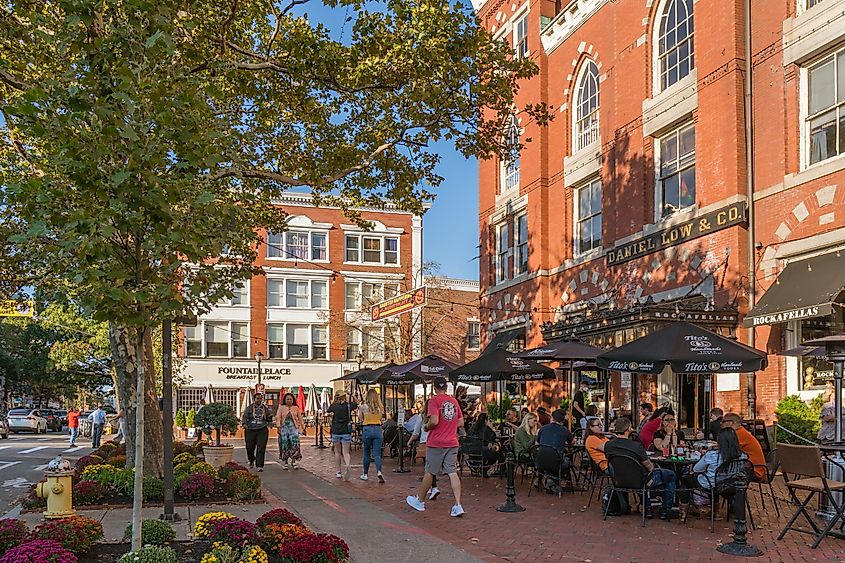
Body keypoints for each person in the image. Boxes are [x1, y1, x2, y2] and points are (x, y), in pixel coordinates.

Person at [406, 376, 465, 517]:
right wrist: (450, 427)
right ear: (446, 387)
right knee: (452, 472)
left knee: (430, 471)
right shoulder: (454, 401)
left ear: (434, 387)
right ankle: (458, 505)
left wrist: (426, 427)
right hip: (452, 441)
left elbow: (434, 420)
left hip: (437, 442)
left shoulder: (434, 401)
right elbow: (461, 422)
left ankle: (420, 501)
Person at [604, 417, 677, 520]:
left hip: (619, 479)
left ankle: (648, 508)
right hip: (640, 481)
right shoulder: (636, 446)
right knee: (670, 475)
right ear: (629, 429)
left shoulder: (608, 446)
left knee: (639, 474)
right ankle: (666, 510)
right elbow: (650, 467)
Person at [682, 427, 746, 493]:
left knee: (686, 478)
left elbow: (697, 469)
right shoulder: (743, 456)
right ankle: (715, 501)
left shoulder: (712, 455)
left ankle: (684, 502)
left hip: (710, 484)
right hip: (730, 484)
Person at [721, 413, 766, 481]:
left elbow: (726, 448)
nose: (721, 424)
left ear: (732, 423)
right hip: (754, 469)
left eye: (723, 421)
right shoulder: (741, 432)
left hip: (754, 472)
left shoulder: (738, 434)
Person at [358, 389, 386, 483]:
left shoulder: (363, 407)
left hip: (367, 429)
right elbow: (381, 418)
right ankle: (379, 471)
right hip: (378, 429)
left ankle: (365, 474)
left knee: (366, 453)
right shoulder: (380, 407)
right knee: (377, 454)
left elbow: (360, 419)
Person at [327, 391, 356, 481]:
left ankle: (338, 471)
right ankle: (347, 465)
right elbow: (357, 403)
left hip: (336, 430)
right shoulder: (348, 406)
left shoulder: (334, 406)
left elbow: (328, 409)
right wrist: (353, 396)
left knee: (337, 452)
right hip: (346, 431)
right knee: (346, 452)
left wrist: (334, 401)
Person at [242, 393, 273, 471]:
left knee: (261, 447)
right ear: (254, 399)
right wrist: (244, 424)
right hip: (250, 430)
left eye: (260, 399)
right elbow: (244, 417)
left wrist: (270, 418)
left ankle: (260, 465)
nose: (259, 400)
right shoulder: (249, 408)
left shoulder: (265, 408)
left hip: (262, 430)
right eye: (257, 398)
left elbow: (268, 418)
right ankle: (251, 459)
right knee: (249, 447)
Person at [274, 392, 305, 470]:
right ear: (285, 400)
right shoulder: (281, 407)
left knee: (295, 444)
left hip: (293, 429)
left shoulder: (296, 408)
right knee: (284, 444)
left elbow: (300, 418)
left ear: (293, 400)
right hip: (284, 429)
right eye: (287, 399)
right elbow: (278, 417)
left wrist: (303, 427)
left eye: (290, 399)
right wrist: (278, 427)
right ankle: (285, 462)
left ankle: (294, 460)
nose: (289, 400)